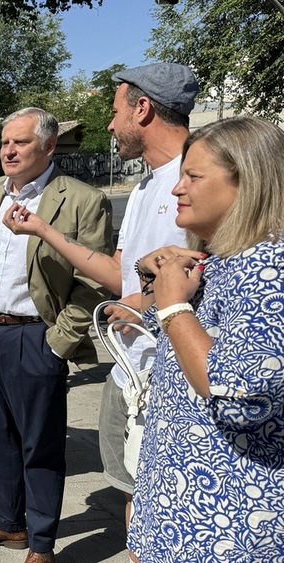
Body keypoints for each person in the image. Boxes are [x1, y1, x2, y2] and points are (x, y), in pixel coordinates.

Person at [0, 62, 198, 547]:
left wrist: (147, 299)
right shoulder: (147, 185)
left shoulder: (200, 180)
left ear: (143, 109)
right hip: (129, 369)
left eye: (115, 112)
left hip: (174, 373)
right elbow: (120, 273)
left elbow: (210, 265)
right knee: (132, 491)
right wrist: (43, 230)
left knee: (161, 503)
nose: (110, 124)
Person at [0, 108, 113, 563]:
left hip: (36, 338)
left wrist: (59, 341)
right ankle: (6, 523)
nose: (8, 150)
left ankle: (41, 543)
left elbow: (95, 281)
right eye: (5, 142)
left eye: (20, 143)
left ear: (47, 146)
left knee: (39, 444)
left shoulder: (82, 200)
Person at [128, 116, 284, 562]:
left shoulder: (270, 269)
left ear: (248, 180)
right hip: (185, 514)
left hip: (230, 527)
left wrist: (175, 305)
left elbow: (235, 392)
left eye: (193, 176)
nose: (178, 189)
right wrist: (157, 282)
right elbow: (181, 350)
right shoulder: (221, 260)